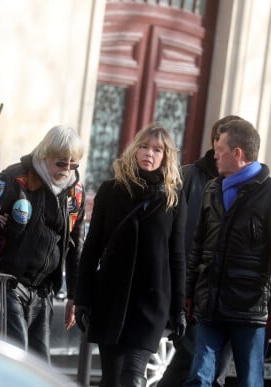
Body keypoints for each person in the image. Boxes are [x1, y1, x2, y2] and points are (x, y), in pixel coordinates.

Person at [184, 119, 271, 387]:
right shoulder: (213, 189)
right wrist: (188, 292)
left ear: (237, 153)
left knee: (249, 381)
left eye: (219, 150)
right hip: (209, 304)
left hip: (249, 309)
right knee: (199, 377)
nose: (214, 156)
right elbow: (198, 245)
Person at [73, 125, 188, 387]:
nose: (149, 153)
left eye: (157, 150)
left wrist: (178, 309)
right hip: (111, 299)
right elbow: (91, 248)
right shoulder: (111, 191)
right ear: (134, 150)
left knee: (133, 379)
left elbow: (177, 256)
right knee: (112, 380)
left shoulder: (173, 198)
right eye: (144, 147)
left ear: (166, 157)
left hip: (151, 301)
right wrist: (82, 298)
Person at [0, 125, 86, 361]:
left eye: (73, 164)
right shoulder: (15, 177)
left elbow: (76, 247)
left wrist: (73, 295)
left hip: (44, 290)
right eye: (60, 163)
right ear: (45, 154)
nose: (66, 170)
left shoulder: (75, 194)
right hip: (10, 283)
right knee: (17, 356)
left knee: (39, 362)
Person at [158, 115, 243, 387]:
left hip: (231, 294)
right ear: (214, 141)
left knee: (214, 368)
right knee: (193, 357)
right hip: (192, 289)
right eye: (221, 140)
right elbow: (168, 235)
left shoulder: (251, 186)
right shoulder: (188, 177)